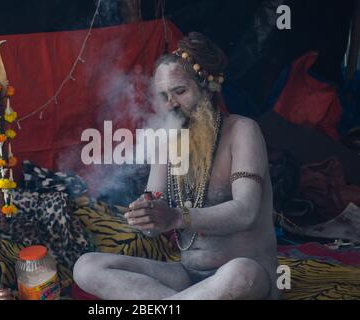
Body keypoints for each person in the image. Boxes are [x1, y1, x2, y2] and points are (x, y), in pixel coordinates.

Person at [73, 32, 279, 300]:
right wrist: (146, 215)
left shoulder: (243, 130)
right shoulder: (167, 141)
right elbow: (154, 204)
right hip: (188, 278)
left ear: (207, 87)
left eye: (180, 91)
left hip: (245, 277)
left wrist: (176, 217)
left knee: (241, 272)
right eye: (163, 96)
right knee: (86, 266)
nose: (171, 104)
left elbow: (246, 212)